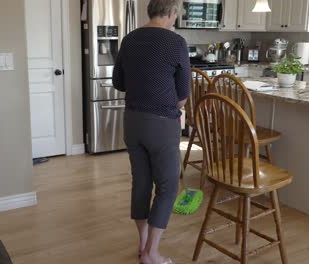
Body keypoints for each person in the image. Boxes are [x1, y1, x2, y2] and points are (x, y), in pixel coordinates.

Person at [112, 0, 190, 263]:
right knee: (168, 187)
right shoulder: (176, 43)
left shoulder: (129, 39)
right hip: (162, 123)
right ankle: (152, 254)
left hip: (132, 121)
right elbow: (182, 96)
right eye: (176, 15)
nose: (174, 19)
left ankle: (143, 245)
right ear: (170, 12)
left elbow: (118, 83)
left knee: (141, 182)